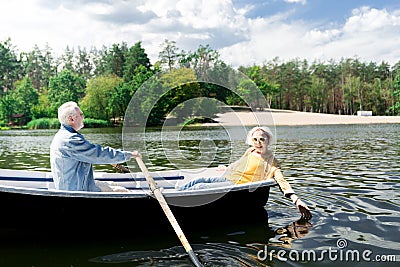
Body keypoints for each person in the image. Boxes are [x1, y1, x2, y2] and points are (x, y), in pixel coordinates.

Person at [178, 126, 312, 219]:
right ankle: (176, 194)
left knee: (199, 187)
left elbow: (282, 182)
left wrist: (296, 200)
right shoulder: (250, 151)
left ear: (268, 140)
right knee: (198, 180)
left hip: (236, 186)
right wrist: (227, 167)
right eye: (255, 140)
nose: (258, 143)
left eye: (262, 139)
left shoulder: (271, 162)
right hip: (228, 178)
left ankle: (179, 201)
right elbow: (240, 163)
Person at [50, 101, 140, 192]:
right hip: (76, 189)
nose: (83, 117)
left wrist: (111, 158)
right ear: (71, 119)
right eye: (81, 115)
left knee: (114, 184)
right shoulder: (70, 139)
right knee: (123, 191)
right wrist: (129, 154)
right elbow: (98, 153)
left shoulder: (63, 135)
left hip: (74, 183)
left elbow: (90, 153)